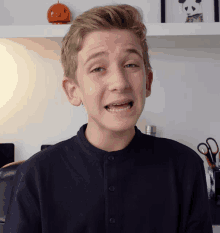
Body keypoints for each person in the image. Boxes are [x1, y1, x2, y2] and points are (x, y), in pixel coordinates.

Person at [4, 3, 213, 233]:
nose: (120, 83)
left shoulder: (185, 167)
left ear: (148, 82)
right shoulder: (34, 176)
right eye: (98, 69)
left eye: (131, 64)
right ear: (73, 90)